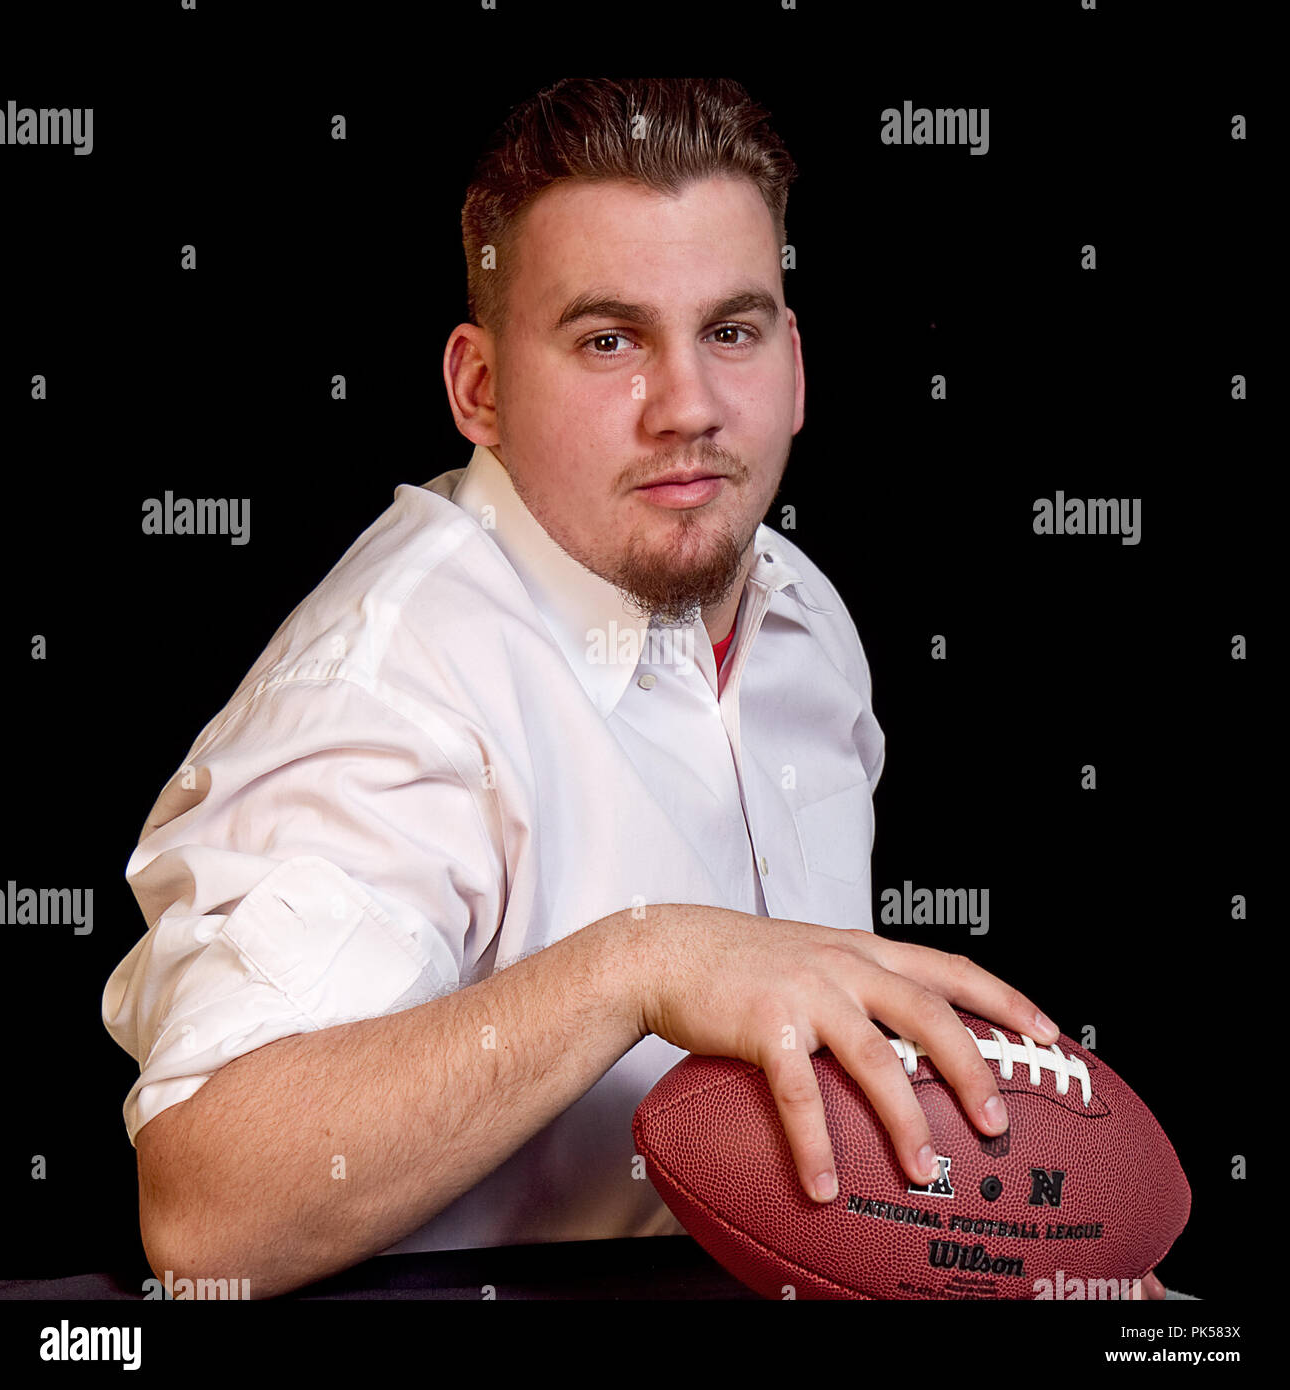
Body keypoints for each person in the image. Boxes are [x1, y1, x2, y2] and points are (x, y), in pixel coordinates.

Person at [102, 76, 1178, 1300]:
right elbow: (207, 1211)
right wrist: (639, 964)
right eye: (608, 339)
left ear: (795, 362)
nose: (690, 408)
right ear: (480, 388)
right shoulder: (391, 678)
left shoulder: (799, 615)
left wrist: (987, 1265)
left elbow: (802, 1155)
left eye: (731, 330)